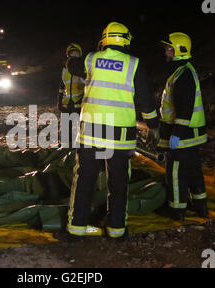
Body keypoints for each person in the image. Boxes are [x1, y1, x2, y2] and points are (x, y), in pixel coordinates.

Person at [65, 22, 159, 238]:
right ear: (126, 39)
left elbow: (72, 65)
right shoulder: (133, 64)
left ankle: (76, 228)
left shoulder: (91, 59)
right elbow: (146, 100)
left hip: (91, 133)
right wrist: (153, 127)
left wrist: (72, 56)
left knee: (85, 178)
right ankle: (116, 230)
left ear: (105, 39)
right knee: (118, 182)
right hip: (120, 136)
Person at [157, 32, 208, 221]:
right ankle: (201, 205)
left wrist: (176, 135)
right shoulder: (184, 71)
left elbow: (184, 111)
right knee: (193, 169)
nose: (166, 52)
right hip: (192, 134)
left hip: (184, 135)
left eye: (169, 49)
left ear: (179, 50)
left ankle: (177, 210)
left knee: (176, 171)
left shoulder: (182, 75)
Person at [58, 43, 85, 147]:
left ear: (80, 54)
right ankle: (64, 151)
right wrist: (59, 101)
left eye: (76, 52)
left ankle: (77, 151)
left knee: (78, 130)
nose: (74, 54)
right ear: (68, 55)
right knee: (65, 132)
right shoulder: (65, 69)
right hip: (66, 104)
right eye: (72, 53)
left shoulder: (83, 67)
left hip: (79, 104)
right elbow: (61, 86)